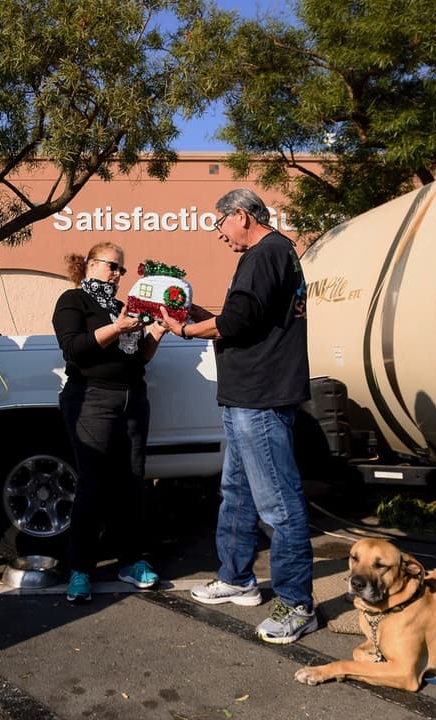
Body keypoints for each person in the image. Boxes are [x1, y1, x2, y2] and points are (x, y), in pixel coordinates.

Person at [158, 188, 318, 645]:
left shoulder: (265, 253)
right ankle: (237, 578)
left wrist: (185, 329)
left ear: (242, 216)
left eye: (220, 223)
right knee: (237, 492)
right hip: (245, 396)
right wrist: (198, 315)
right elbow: (247, 316)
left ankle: (298, 605)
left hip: (260, 398)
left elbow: (236, 322)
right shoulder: (274, 254)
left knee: (279, 505)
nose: (219, 234)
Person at [52, 242, 168, 603]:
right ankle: (80, 568)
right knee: (93, 483)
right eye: (112, 266)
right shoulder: (74, 300)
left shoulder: (121, 308)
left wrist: (157, 332)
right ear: (90, 264)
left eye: (121, 269)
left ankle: (130, 560)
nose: (117, 274)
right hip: (92, 398)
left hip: (133, 398)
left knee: (132, 481)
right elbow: (73, 348)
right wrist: (116, 328)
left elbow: (138, 358)